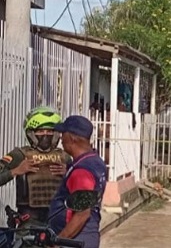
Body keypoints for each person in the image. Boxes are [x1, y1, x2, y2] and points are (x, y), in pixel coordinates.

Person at [0, 106, 70, 224]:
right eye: (40, 131)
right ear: (32, 133)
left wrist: (68, 174)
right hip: (29, 219)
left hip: (57, 216)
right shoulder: (20, 154)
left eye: (49, 131)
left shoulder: (64, 156)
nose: (45, 135)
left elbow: (81, 186)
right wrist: (16, 171)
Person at [48, 115, 107, 248]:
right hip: (86, 235)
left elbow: (82, 214)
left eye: (63, 134)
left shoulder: (81, 172)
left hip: (75, 239)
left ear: (72, 138)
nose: (61, 140)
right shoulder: (95, 161)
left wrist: (58, 241)